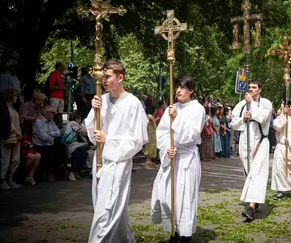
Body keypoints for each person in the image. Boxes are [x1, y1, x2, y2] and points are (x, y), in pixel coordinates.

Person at [85, 60, 148, 243]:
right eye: (102, 76)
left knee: (107, 210)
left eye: (107, 76)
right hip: (101, 159)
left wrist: (108, 140)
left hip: (118, 162)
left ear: (120, 78)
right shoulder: (102, 100)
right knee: (103, 207)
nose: (103, 80)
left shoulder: (132, 103)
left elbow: (136, 140)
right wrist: (94, 109)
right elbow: (91, 130)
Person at [151, 76, 205, 243]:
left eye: (183, 87)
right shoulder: (171, 108)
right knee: (168, 194)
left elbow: (192, 134)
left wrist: (178, 118)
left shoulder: (198, 109)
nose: (179, 91)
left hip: (188, 158)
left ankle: (186, 234)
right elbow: (162, 133)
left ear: (191, 90)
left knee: (185, 197)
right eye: (177, 87)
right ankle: (173, 230)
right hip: (173, 157)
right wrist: (168, 147)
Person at [230, 80, 272, 221]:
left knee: (257, 171)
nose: (251, 89)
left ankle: (252, 207)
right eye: (249, 87)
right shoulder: (242, 104)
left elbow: (263, 117)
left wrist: (252, 105)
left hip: (260, 141)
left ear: (260, 90)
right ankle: (255, 199)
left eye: (254, 87)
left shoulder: (266, 103)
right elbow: (233, 122)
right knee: (248, 172)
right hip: (244, 141)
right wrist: (243, 118)